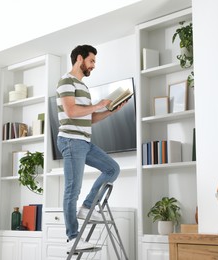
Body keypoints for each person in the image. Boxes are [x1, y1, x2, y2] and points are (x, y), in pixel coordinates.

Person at [56, 44, 127, 252]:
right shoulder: (66, 81)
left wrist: (110, 111)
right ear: (80, 59)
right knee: (72, 189)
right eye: (92, 61)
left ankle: (87, 206)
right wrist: (97, 104)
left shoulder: (83, 88)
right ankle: (73, 238)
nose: (94, 66)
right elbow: (70, 111)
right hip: (70, 140)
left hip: (84, 141)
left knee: (112, 168)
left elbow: (89, 118)